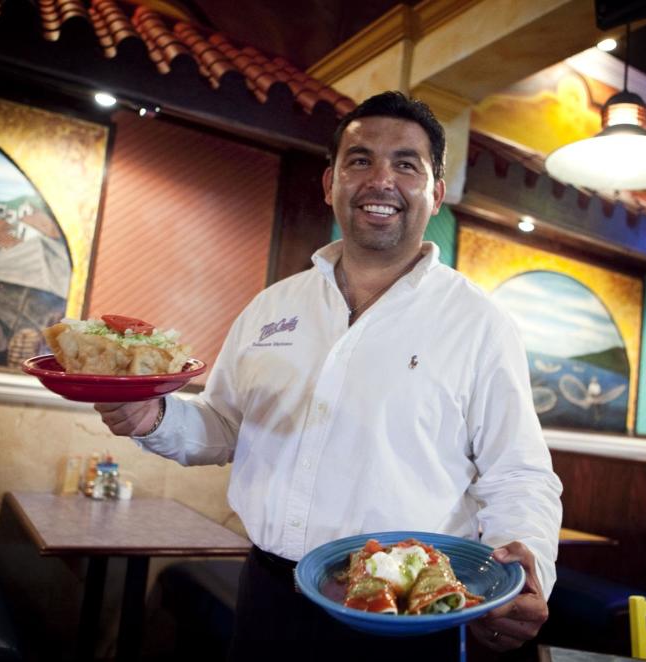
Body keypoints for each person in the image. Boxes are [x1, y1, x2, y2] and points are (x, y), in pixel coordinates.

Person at [95, 91, 562, 659]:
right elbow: (225, 425)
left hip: (409, 615)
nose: (381, 180)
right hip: (270, 596)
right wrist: (155, 416)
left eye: (407, 164)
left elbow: (518, 474)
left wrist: (525, 568)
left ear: (435, 193)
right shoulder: (270, 308)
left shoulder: (479, 323)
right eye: (360, 160)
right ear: (330, 182)